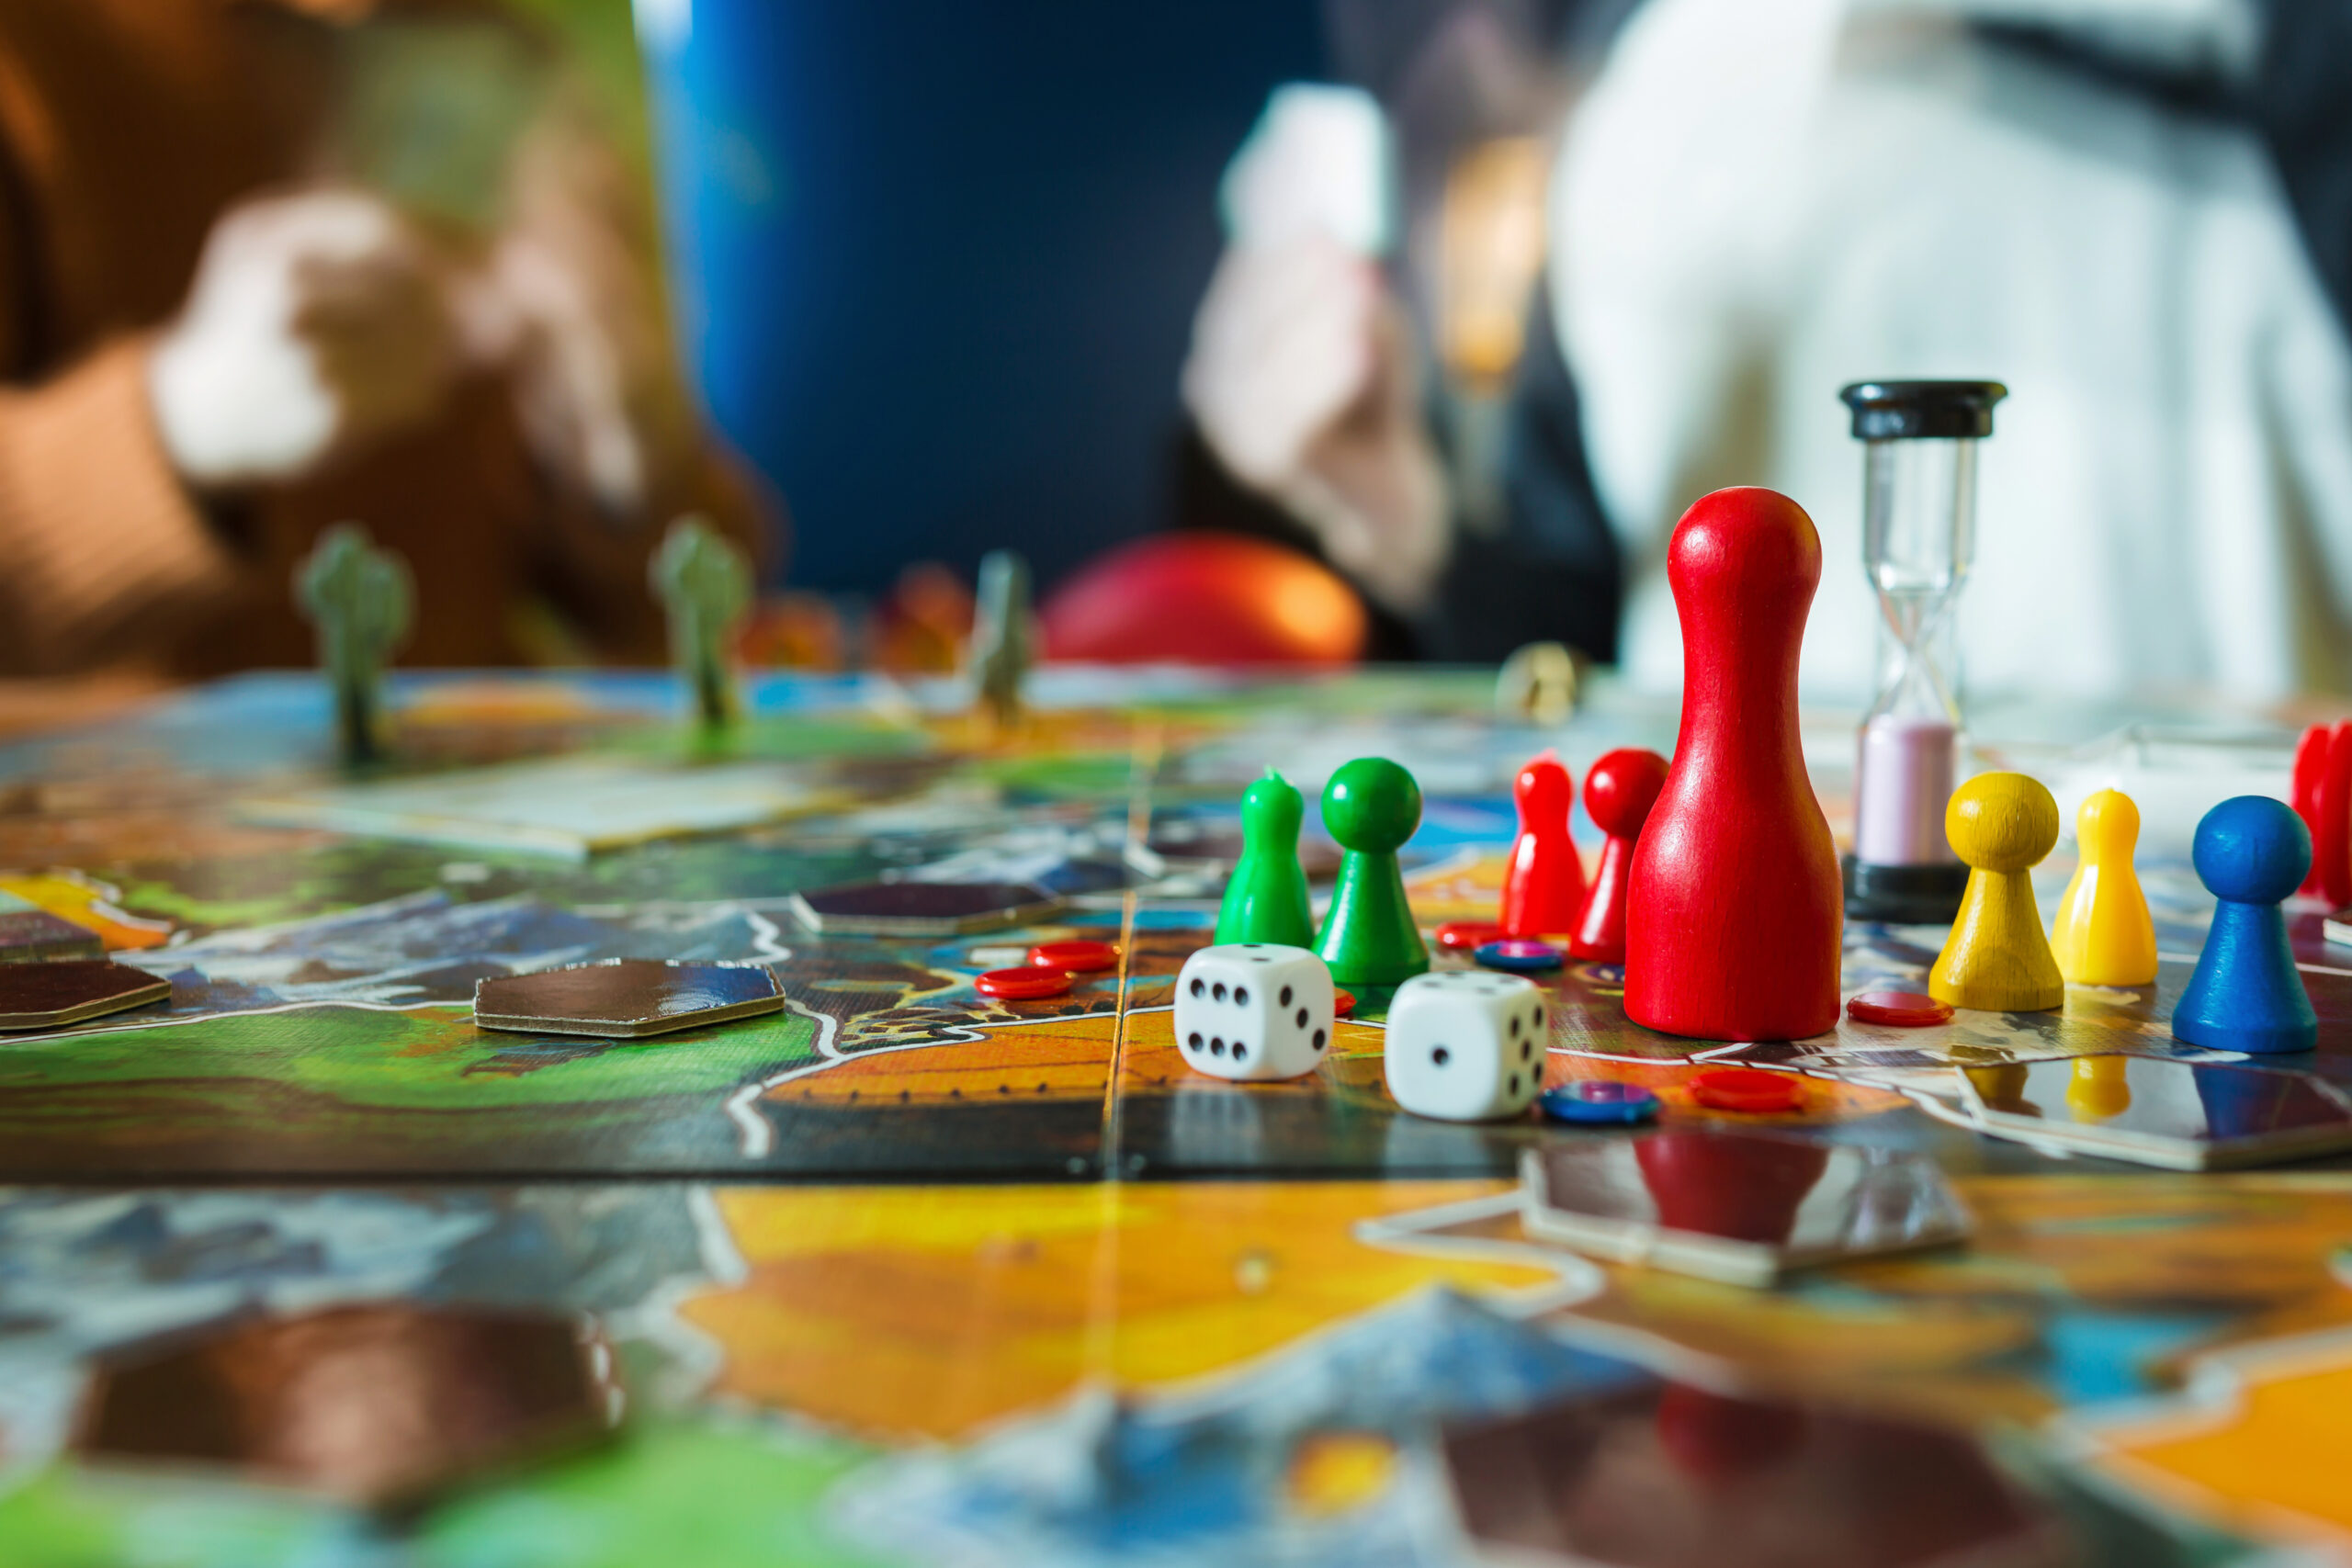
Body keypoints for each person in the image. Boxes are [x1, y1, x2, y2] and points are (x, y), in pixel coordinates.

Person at [1182, 0, 2352, 701]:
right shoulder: (1522, 70)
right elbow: (1589, 622)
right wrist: (1421, 527)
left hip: (2250, 865)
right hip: (1778, 950)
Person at [0, 0, 773, 677]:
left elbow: (678, 617)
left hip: (479, 799)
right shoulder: (36, 51)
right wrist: (177, 422)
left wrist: (630, 452)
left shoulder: (500, 59)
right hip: (122, 817)